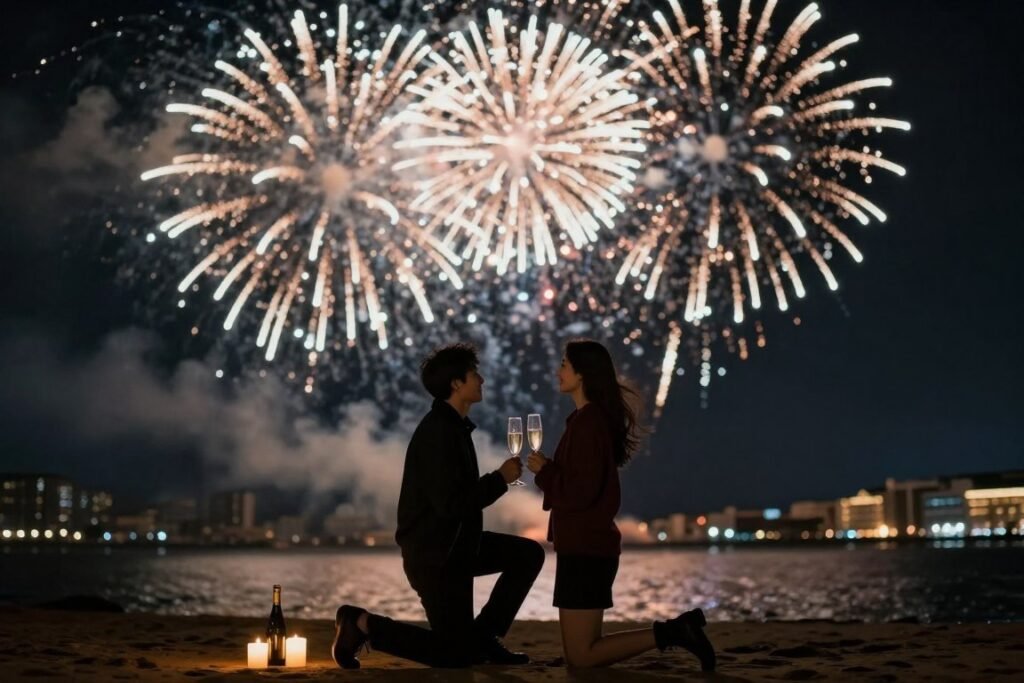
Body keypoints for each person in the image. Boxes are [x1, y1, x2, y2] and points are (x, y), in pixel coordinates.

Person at [332, 343, 546, 669]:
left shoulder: (455, 427)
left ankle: (484, 636)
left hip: (459, 549)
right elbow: (451, 505)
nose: (483, 379)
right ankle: (360, 623)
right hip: (435, 557)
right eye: (475, 374)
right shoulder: (438, 432)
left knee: (529, 554)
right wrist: (499, 479)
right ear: (456, 383)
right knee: (456, 656)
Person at [526, 339, 716, 671]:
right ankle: (674, 631)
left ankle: (675, 631)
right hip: (585, 548)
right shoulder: (588, 420)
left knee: (582, 656)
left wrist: (544, 472)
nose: (557, 372)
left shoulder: (588, 423)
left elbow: (580, 493)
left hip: (586, 550)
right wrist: (551, 470)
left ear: (582, 374)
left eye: (564, 365)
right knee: (580, 653)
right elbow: (583, 484)